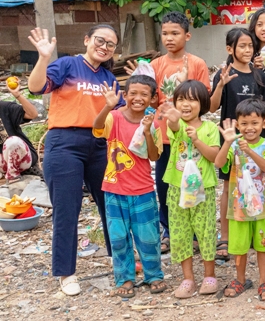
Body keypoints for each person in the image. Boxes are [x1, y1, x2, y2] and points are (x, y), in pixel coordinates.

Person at [27, 25, 123, 296]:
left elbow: (121, 113)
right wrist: (44, 58)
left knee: (111, 202)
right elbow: (36, 87)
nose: (104, 47)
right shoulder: (67, 65)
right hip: (64, 143)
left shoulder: (108, 78)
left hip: (100, 145)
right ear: (87, 40)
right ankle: (65, 272)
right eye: (100, 40)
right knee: (67, 208)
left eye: (111, 44)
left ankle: (119, 258)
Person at [126, 11, 210, 254]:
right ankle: (169, 231)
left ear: (187, 35)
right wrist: (140, 84)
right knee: (165, 186)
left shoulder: (197, 64)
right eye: (165, 33)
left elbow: (204, 101)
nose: (169, 38)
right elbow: (151, 100)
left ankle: (195, 232)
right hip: (163, 136)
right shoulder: (155, 65)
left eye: (175, 33)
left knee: (192, 182)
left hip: (190, 135)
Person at [92, 75, 166, 297]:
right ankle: (125, 278)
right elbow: (96, 128)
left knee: (148, 237)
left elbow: (154, 156)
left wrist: (147, 131)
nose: (138, 98)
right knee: (118, 238)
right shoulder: (114, 117)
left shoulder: (153, 123)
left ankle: (153, 275)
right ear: (125, 95)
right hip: (114, 190)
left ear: (153, 99)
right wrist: (108, 106)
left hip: (143, 190)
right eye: (133, 93)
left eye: (144, 94)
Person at [210, 28, 265, 261]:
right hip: (231, 139)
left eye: (250, 46)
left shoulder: (260, 76)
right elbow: (211, 107)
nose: (248, 50)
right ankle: (226, 236)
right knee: (229, 186)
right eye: (242, 46)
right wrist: (220, 85)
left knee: (258, 183)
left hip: (256, 141)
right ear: (230, 49)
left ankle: (255, 228)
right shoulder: (225, 74)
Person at [214, 99, 265, 302]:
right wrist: (227, 142)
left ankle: (263, 281)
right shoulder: (233, 144)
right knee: (239, 246)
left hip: (264, 206)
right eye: (244, 123)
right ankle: (240, 279)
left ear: (264, 123)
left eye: (254, 123)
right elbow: (219, 163)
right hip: (240, 207)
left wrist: (249, 151)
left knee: (263, 245)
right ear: (237, 124)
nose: (249, 128)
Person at [163, 81, 220, 299]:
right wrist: (172, 117)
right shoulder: (175, 125)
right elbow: (174, 126)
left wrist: (196, 140)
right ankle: (188, 279)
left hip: (203, 188)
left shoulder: (210, 128)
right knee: (180, 233)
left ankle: (209, 276)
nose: (186, 104)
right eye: (181, 99)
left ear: (202, 103)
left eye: (192, 99)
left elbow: (214, 157)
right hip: (177, 188)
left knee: (205, 231)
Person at [0, 81, 39, 182]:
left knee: (12, 142)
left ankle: (13, 177)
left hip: (23, 160)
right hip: (2, 164)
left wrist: (18, 95)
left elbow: (32, 114)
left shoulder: (4, 107)